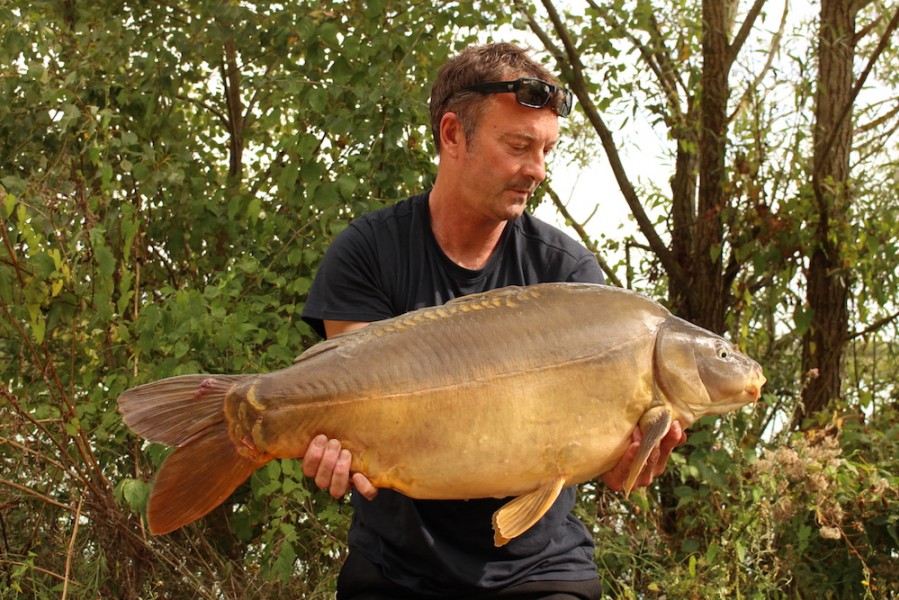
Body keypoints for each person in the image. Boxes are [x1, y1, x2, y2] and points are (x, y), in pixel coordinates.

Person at [300, 42, 686, 599]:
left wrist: (630, 461)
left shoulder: (566, 272)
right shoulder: (368, 251)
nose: (538, 170)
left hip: (540, 567)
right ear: (453, 135)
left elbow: (609, 469)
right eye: (518, 146)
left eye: (547, 150)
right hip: (397, 565)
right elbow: (349, 405)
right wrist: (334, 446)